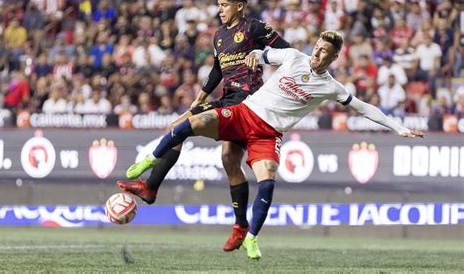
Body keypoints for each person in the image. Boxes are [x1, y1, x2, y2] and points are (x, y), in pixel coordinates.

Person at [125, 31, 424, 259]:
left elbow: (364, 108)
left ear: (334, 59)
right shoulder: (293, 56)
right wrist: (256, 54)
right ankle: (151, 161)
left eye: (324, 53)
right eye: (317, 48)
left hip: (268, 134)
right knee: (192, 124)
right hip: (246, 113)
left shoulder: (331, 86)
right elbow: (262, 53)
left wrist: (399, 128)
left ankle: (252, 236)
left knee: (267, 178)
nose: (317, 54)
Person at [117, 0, 290, 252]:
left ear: (239, 6)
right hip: (229, 99)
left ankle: (150, 186)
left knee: (180, 127)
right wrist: (199, 97)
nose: (219, 10)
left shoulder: (255, 28)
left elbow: (287, 53)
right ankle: (240, 226)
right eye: (218, 5)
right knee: (229, 160)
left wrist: (263, 57)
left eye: (224, 5)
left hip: (250, 103)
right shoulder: (220, 35)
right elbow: (218, 68)